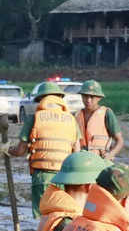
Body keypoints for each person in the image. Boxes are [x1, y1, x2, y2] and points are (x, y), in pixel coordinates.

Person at [3, 81, 81, 218]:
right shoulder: (71, 120)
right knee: (63, 216)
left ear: (40, 99)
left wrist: (5, 149)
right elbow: (77, 154)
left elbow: (20, 150)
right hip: (65, 178)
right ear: (60, 99)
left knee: (44, 218)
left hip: (42, 177)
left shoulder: (33, 119)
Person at [74, 80, 124, 161]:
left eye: (92, 97)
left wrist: (110, 154)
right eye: (85, 96)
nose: (88, 100)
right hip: (81, 160)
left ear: (99, 98)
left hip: (100, 159)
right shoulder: (76, 115)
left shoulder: (106, 114)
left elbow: (120, 140)